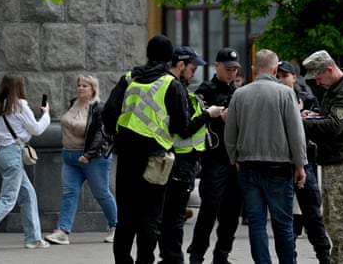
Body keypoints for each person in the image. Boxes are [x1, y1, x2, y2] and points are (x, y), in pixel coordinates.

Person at [101, 34, 190, 264]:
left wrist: (120, 135)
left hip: (127, 157)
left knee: (126, 215)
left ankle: (123, 260)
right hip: (156, 159)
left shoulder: (129, 79)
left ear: (148, 55)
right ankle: (145, 260)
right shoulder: (172, 84)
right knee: (150, 217)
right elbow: (182, 126)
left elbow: (109, 112)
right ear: (170, 60)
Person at [224, 49, 307, 264]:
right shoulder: (286, 94)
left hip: (249, 166)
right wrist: (300, 165)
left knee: (257, 223)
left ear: (252, 69)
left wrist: (235, 159)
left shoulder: (240, 94)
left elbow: (230, 134)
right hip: (279, 167)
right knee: (283, 224)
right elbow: (296, 134)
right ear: (275, 69)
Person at [158, 46, 224, 264]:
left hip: (173, 159)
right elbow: (183, 128)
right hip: (180, 161)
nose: (194, 72)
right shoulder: (175, 87)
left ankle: (167, 257)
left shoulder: (170, 85)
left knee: (167, 215)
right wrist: (208, 114)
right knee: (174, 217)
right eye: (192, 67)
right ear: (180, 64)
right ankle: (173, 259)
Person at [0, 72, 51, 252]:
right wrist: (46, 114)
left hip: (1, 155)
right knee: (8, 199)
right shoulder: (21, 106)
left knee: (28, 194)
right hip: (14, 154)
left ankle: (33, 238)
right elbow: (37, 129)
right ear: (19, 87)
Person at [301, 50, 343, 264]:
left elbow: (334, 126)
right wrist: (315, 115)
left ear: (329, 69)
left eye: (318, 77)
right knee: (332, 221)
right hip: (333, 161)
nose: (317, 82)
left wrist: (301, 123)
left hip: (342, 163)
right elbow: (329, 116)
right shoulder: (336, 88)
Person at [44, 74, 117, 245]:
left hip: (93, 159)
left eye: (85, 86)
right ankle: (62, 232)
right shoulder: (73, 104)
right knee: (69, 193)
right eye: (79, 85)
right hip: (70, 157)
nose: (80, 88)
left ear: (93, 89)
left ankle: (116, 227)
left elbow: (102, 134)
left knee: (101, 193)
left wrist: (88, 154)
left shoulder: (99, 108)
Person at [187, 47, 244, 264]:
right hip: (214, 159)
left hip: (235, 160)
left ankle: (222, 255)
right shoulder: (205, 90)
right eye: (228, 69)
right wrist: (216, 116)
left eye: (235, 70)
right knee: (209, 209)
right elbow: (197, 120)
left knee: (232, 212)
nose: (232, 74)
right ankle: (197, 254)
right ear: (217, 66)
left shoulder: (239, 91)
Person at [277, 61, 331, 264]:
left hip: (304, 160)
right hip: (281, 161)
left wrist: (302, 117)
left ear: (294, 77)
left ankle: (324, 255)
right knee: (284, 216)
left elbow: (319, 126)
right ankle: (290, 257)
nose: (281, 80)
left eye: (285, 76)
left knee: (312, 213)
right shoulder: (273, 99)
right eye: (278, 76)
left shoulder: (306, 98)